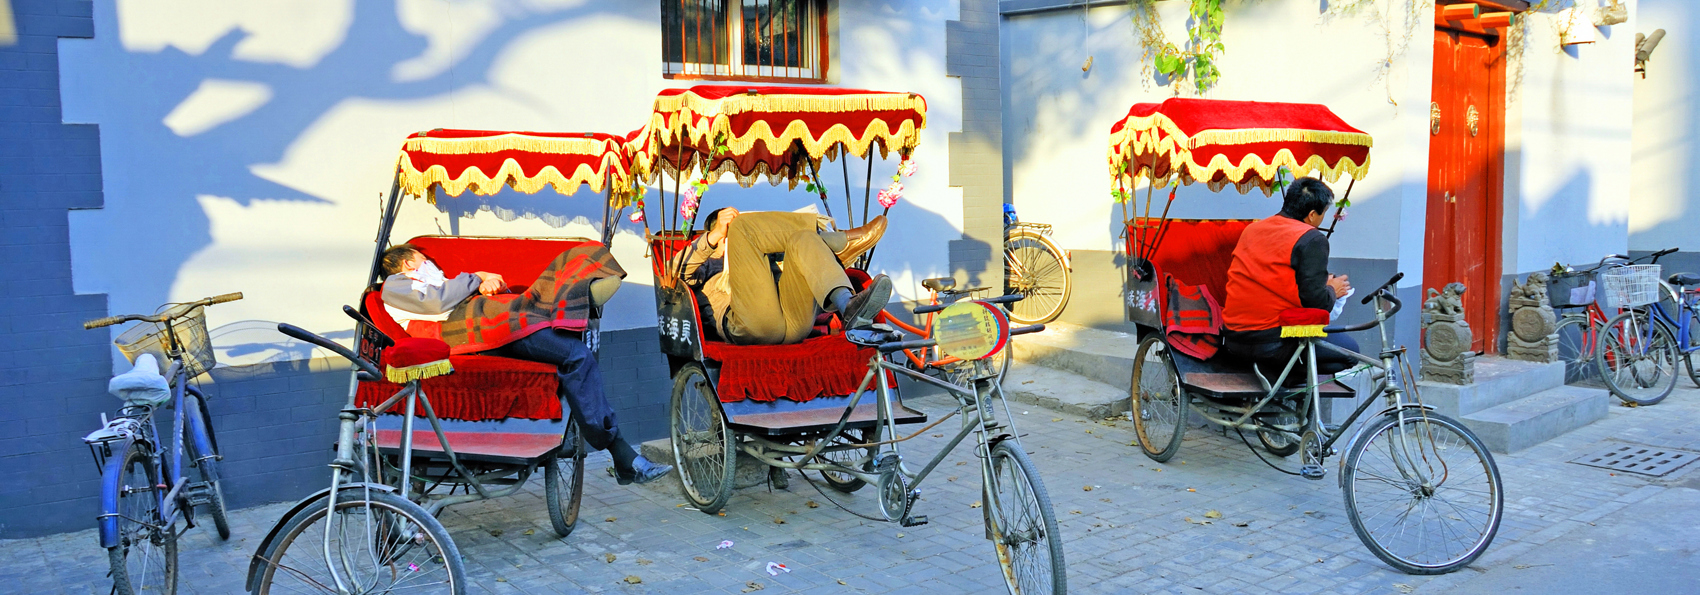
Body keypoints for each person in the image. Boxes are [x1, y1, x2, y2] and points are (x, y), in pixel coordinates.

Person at [379, 244, 673, 485]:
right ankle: (622, 456)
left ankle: (574, 290)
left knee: (551, 304)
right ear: (408, 263)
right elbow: (437, 303)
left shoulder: (425, 283)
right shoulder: (396, 284)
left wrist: (483, 282)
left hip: (489, 318)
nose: (432, 264)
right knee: (576, 355)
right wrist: (476, 277)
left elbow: (445, 295)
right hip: (476, 327)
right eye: (425, 260)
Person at [676, 207, 891, 345]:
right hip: (751, 325)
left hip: (794, 324)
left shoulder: (760, 255)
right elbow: (676, 274)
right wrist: (715, 237)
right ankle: (837, 242)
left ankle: (848, 306)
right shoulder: (707, 261)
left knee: (802, 239)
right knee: (743, 226)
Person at [1221, 177, 1358, 380]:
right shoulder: (1311, 238)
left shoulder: (1252, 229)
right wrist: (1332, 289)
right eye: (1323, 213)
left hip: (1233, 337)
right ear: (1312, 215)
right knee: (1351, 353)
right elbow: (1316, 303)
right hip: (1272, 342)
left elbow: (1276, 278)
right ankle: (1278, 377)